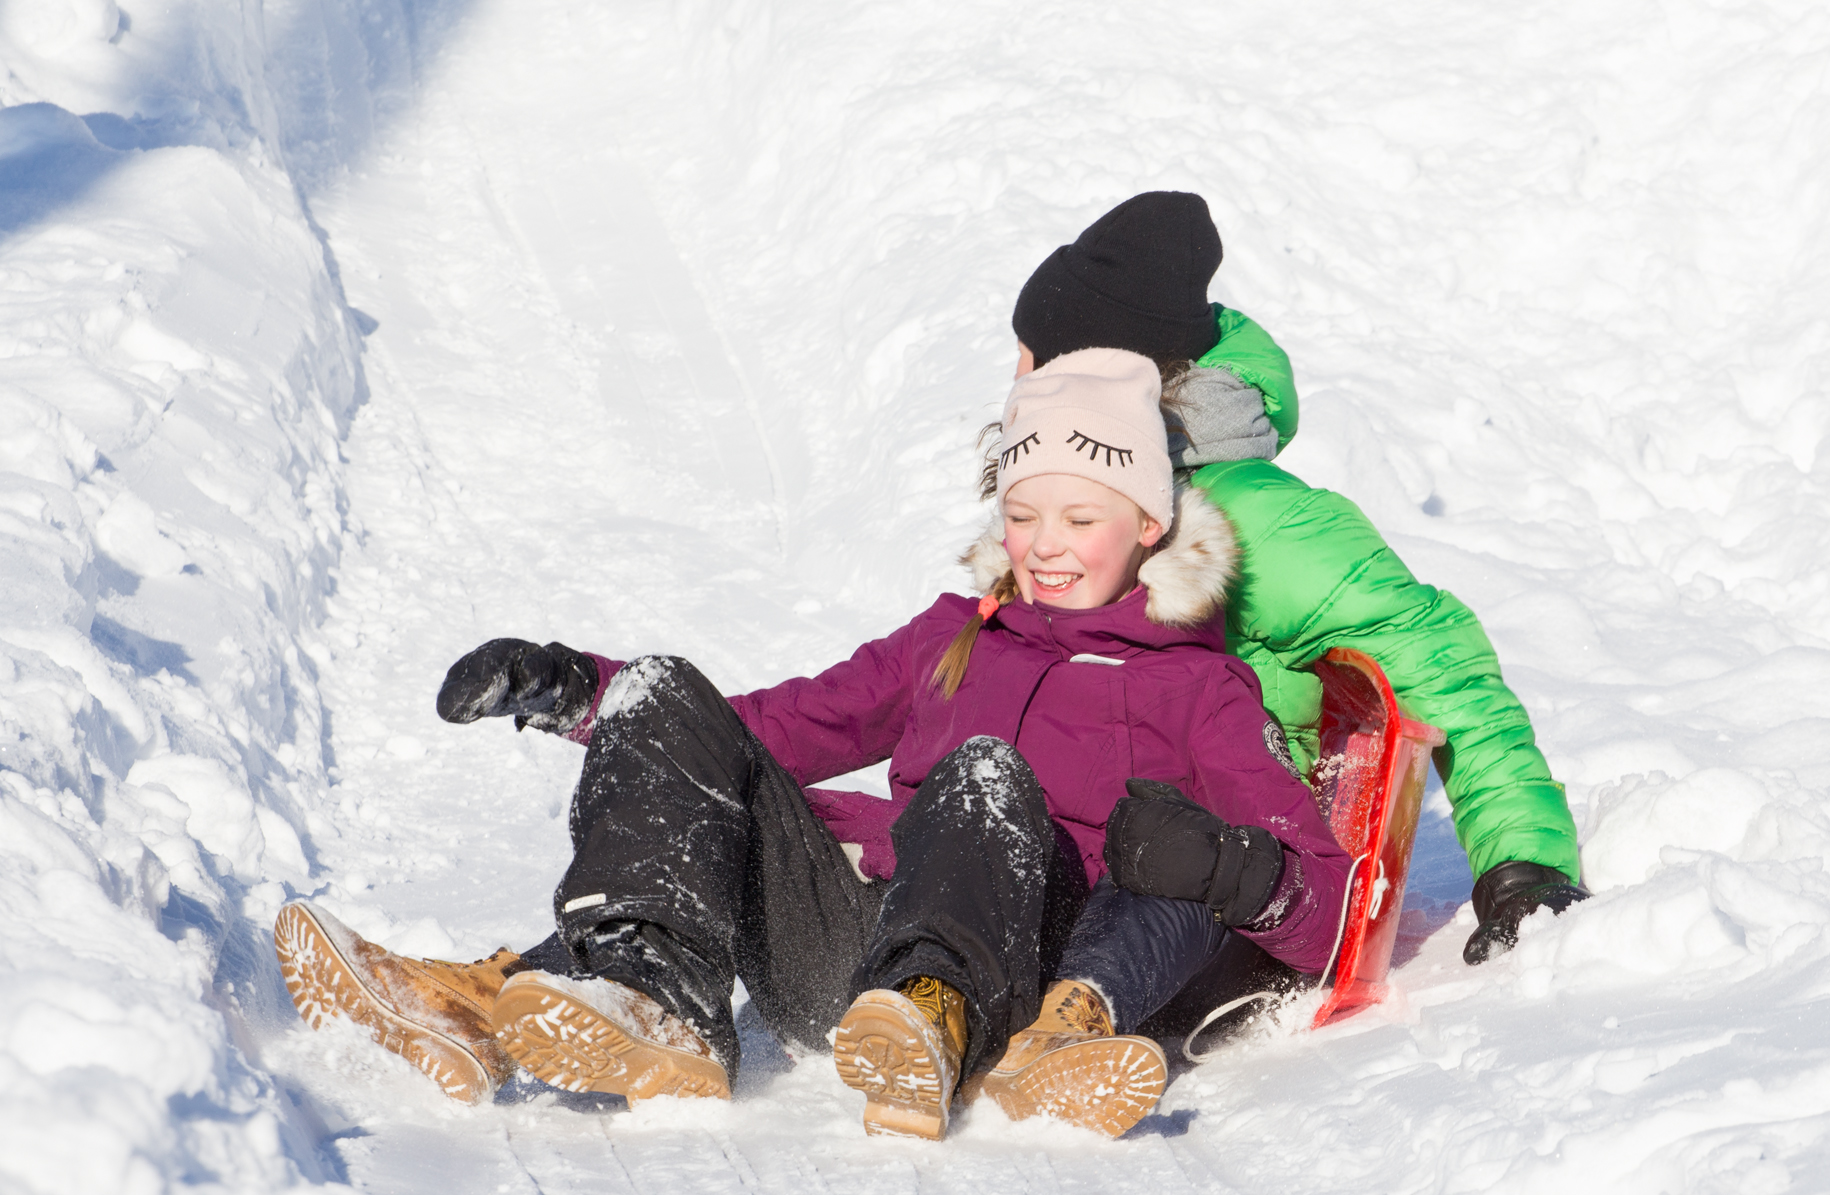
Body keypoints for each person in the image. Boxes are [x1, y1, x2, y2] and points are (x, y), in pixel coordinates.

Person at [277, 350, 1352, 1138]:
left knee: (984, 779)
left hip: (1005, 978)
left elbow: (1321, 902)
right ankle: (613, 993)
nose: (1046, 548)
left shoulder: (1202, 688)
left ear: (1151, 523)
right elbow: (767, 729)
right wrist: (582, 693)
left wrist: (1226, 868)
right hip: (846, 958)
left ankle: (932, 1014)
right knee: (668, 690)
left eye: (1081, 517)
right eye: (1025, 516)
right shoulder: (949, 636)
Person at [1006, 191, 1589, 966]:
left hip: (1200, 884)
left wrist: (1525, 863)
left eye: (1033, 357)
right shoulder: (1059, 502)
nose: (1014, 377)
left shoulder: (1250, 520)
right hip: (1070, 849)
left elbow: (1434, 657)